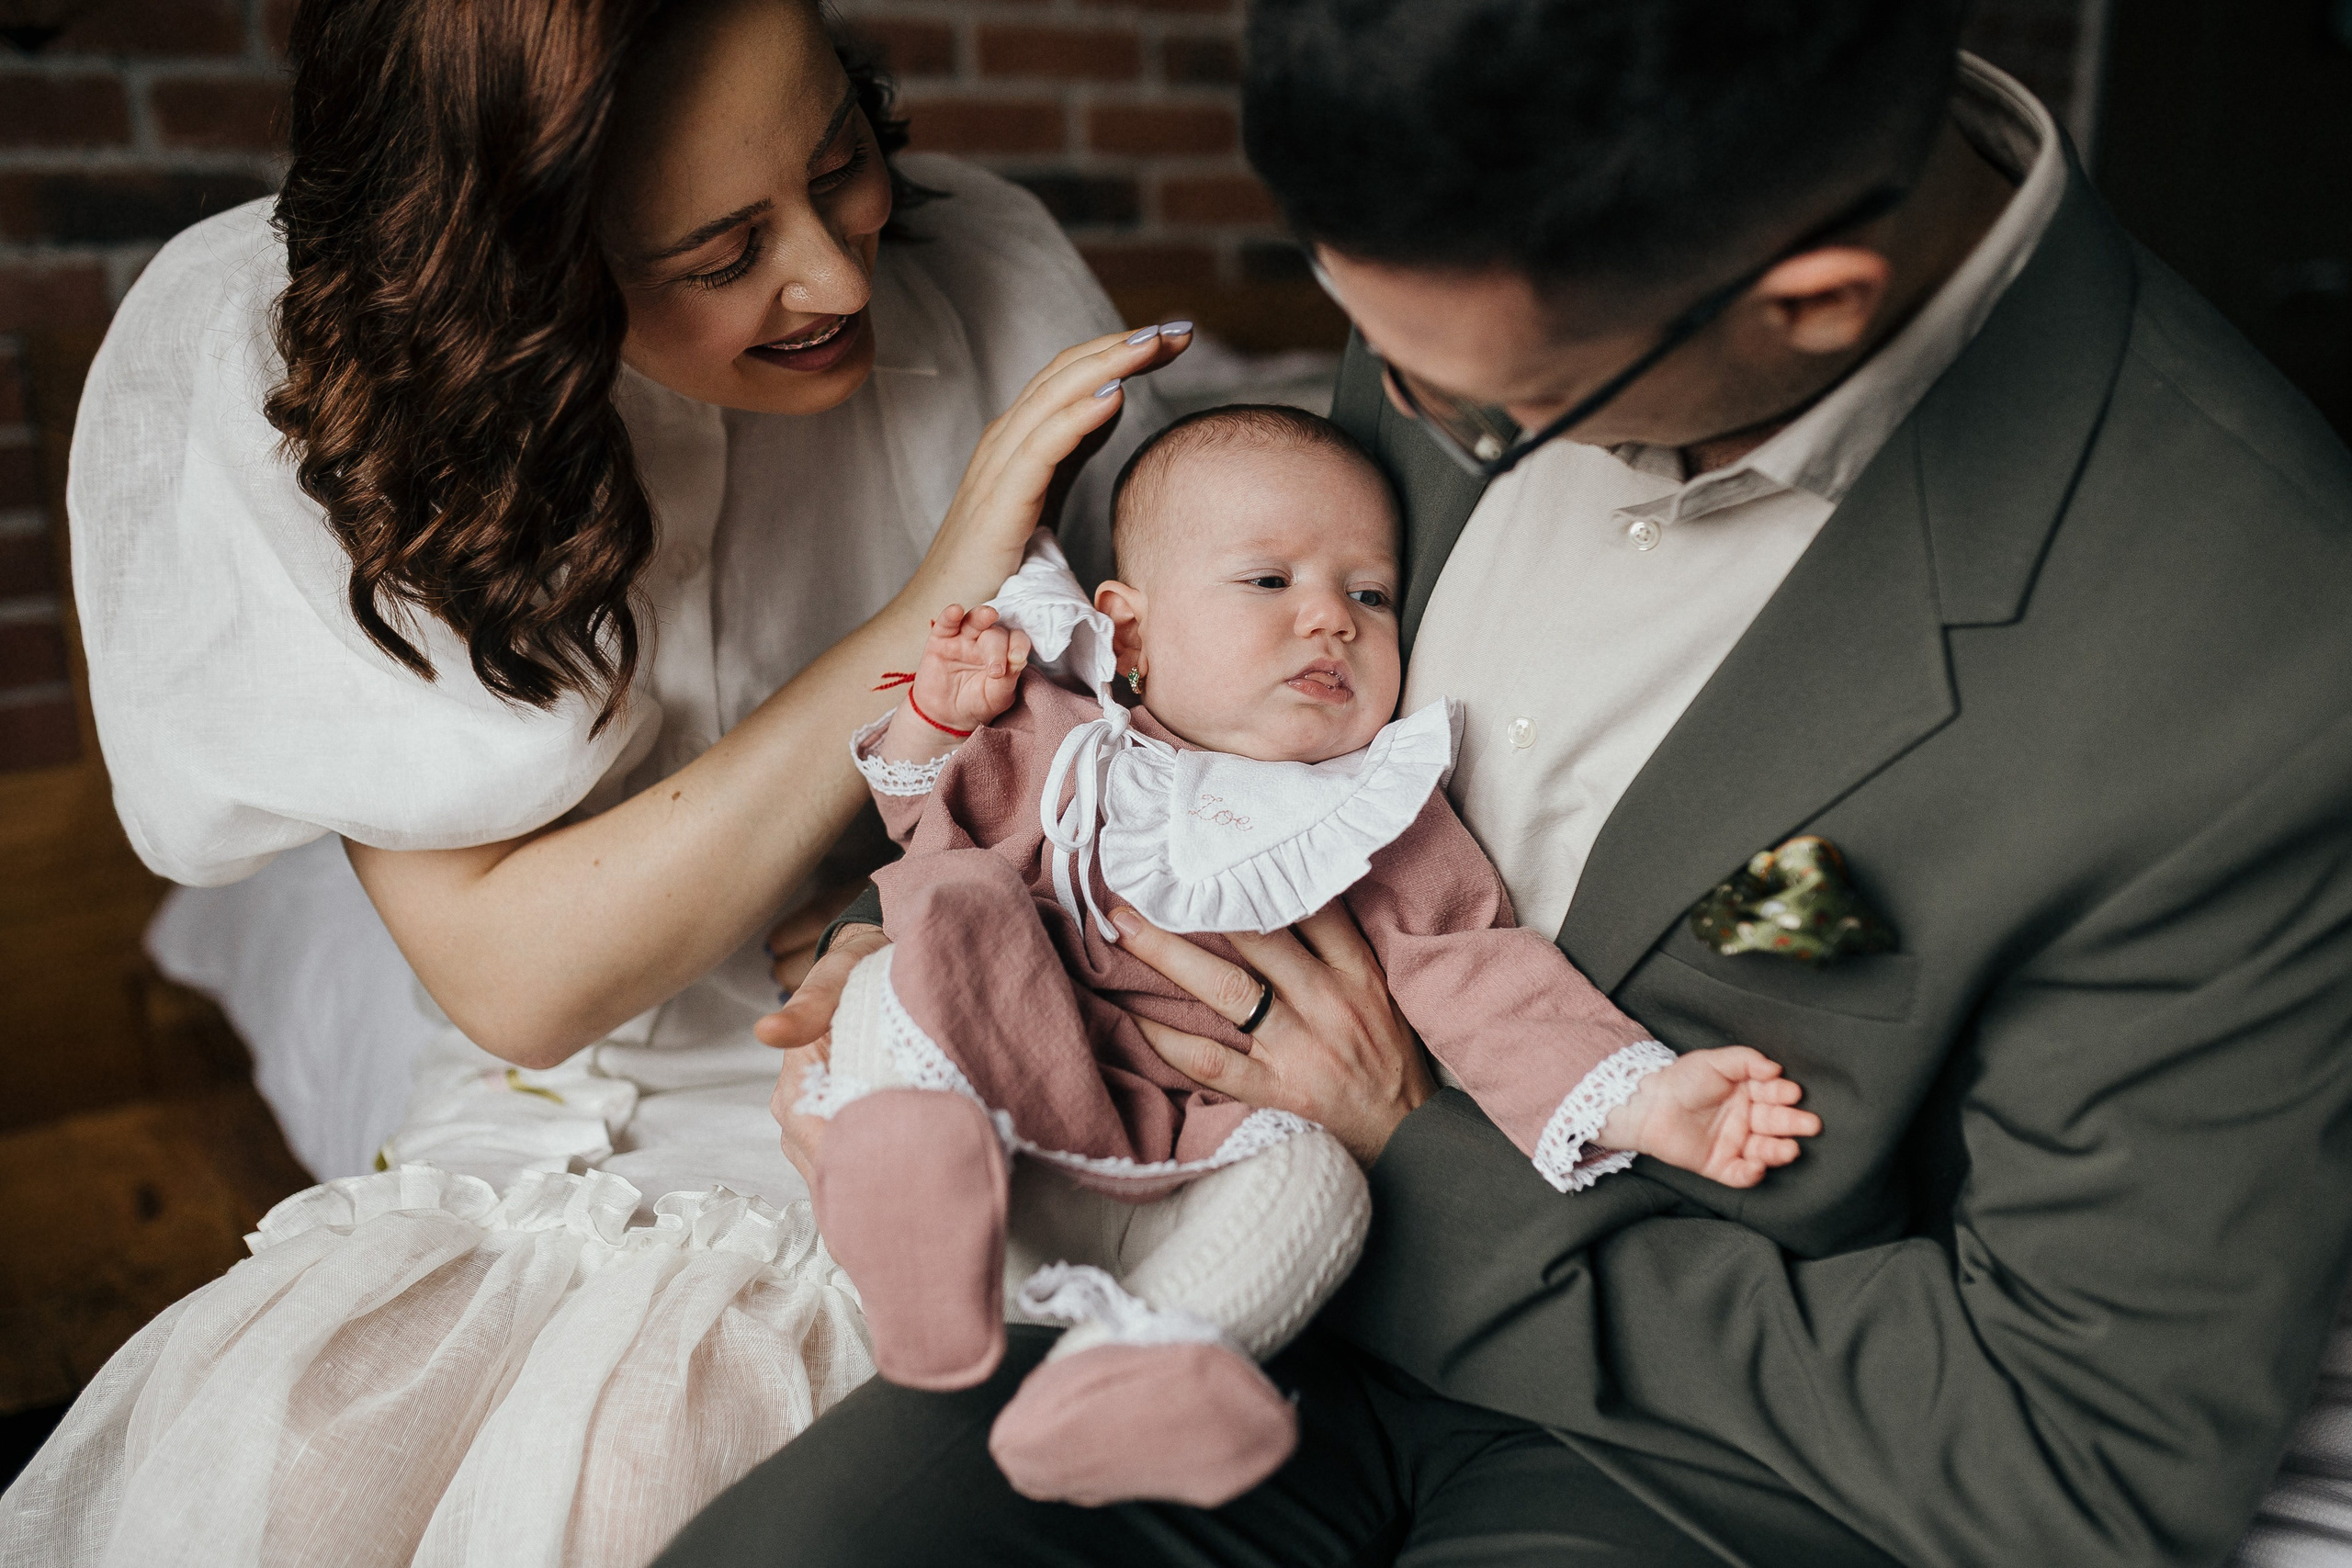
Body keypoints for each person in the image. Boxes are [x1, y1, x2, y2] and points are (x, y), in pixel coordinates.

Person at [672, 3, 2352, 1565]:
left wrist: (1410, 1158)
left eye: (1478, 410)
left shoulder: (2254, 657)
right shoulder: (1489, 218)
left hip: (1685, 1449)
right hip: (1177, 1263)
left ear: (1815, 302)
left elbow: (2086, 1450)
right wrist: (1000, 933)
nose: (1402, 409)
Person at [1, 0, 1184, 1561]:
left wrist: (928, 914)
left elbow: (1181, 750)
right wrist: (923, 611)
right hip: (531, 1120)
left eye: (842, 166)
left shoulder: (991, 279)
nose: (836, 276)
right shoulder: (308, 373)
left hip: (932, 1091)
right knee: (292, 1473)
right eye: (716, 254)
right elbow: (520, 979)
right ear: (519, 276)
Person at [806, 407, 1818, 1508]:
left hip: (1198, 1154)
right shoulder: (1066, 742)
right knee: (923, 935)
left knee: (1317, 1181)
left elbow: (1481, 977)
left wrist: (1644, 1098)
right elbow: (925, 827)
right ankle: (917, 1203)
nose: (1330, 620)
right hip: (1013, 1112)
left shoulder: (1379, 816)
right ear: (1131, 636)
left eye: (1370, 595)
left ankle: (1142, 1374)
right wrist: (937, 724)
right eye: (1267, 583)